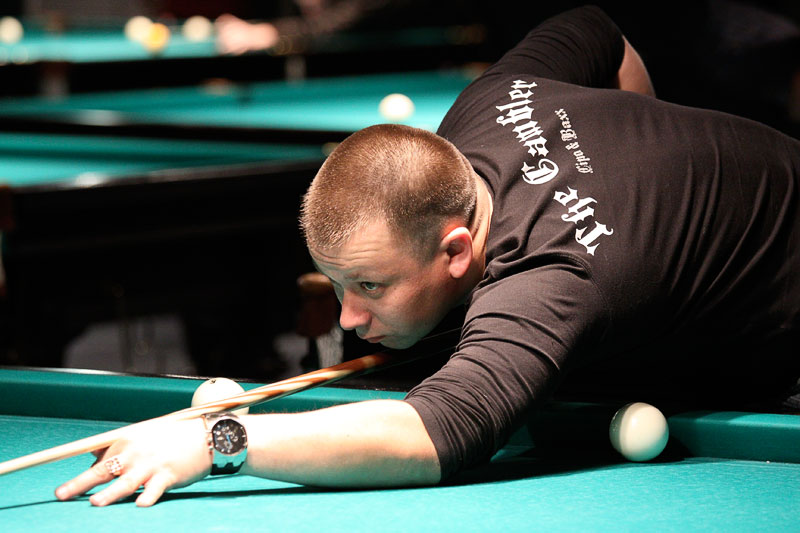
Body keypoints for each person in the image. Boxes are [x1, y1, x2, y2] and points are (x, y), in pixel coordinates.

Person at [54, 6, 799, 507]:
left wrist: (220, 441)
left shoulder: (552, 278)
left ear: (457, 249)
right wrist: (651, 167)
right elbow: (595, 29)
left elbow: (440, 431)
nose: (347, 317)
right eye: (339, 284)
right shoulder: (486, 104)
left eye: (370, 285)